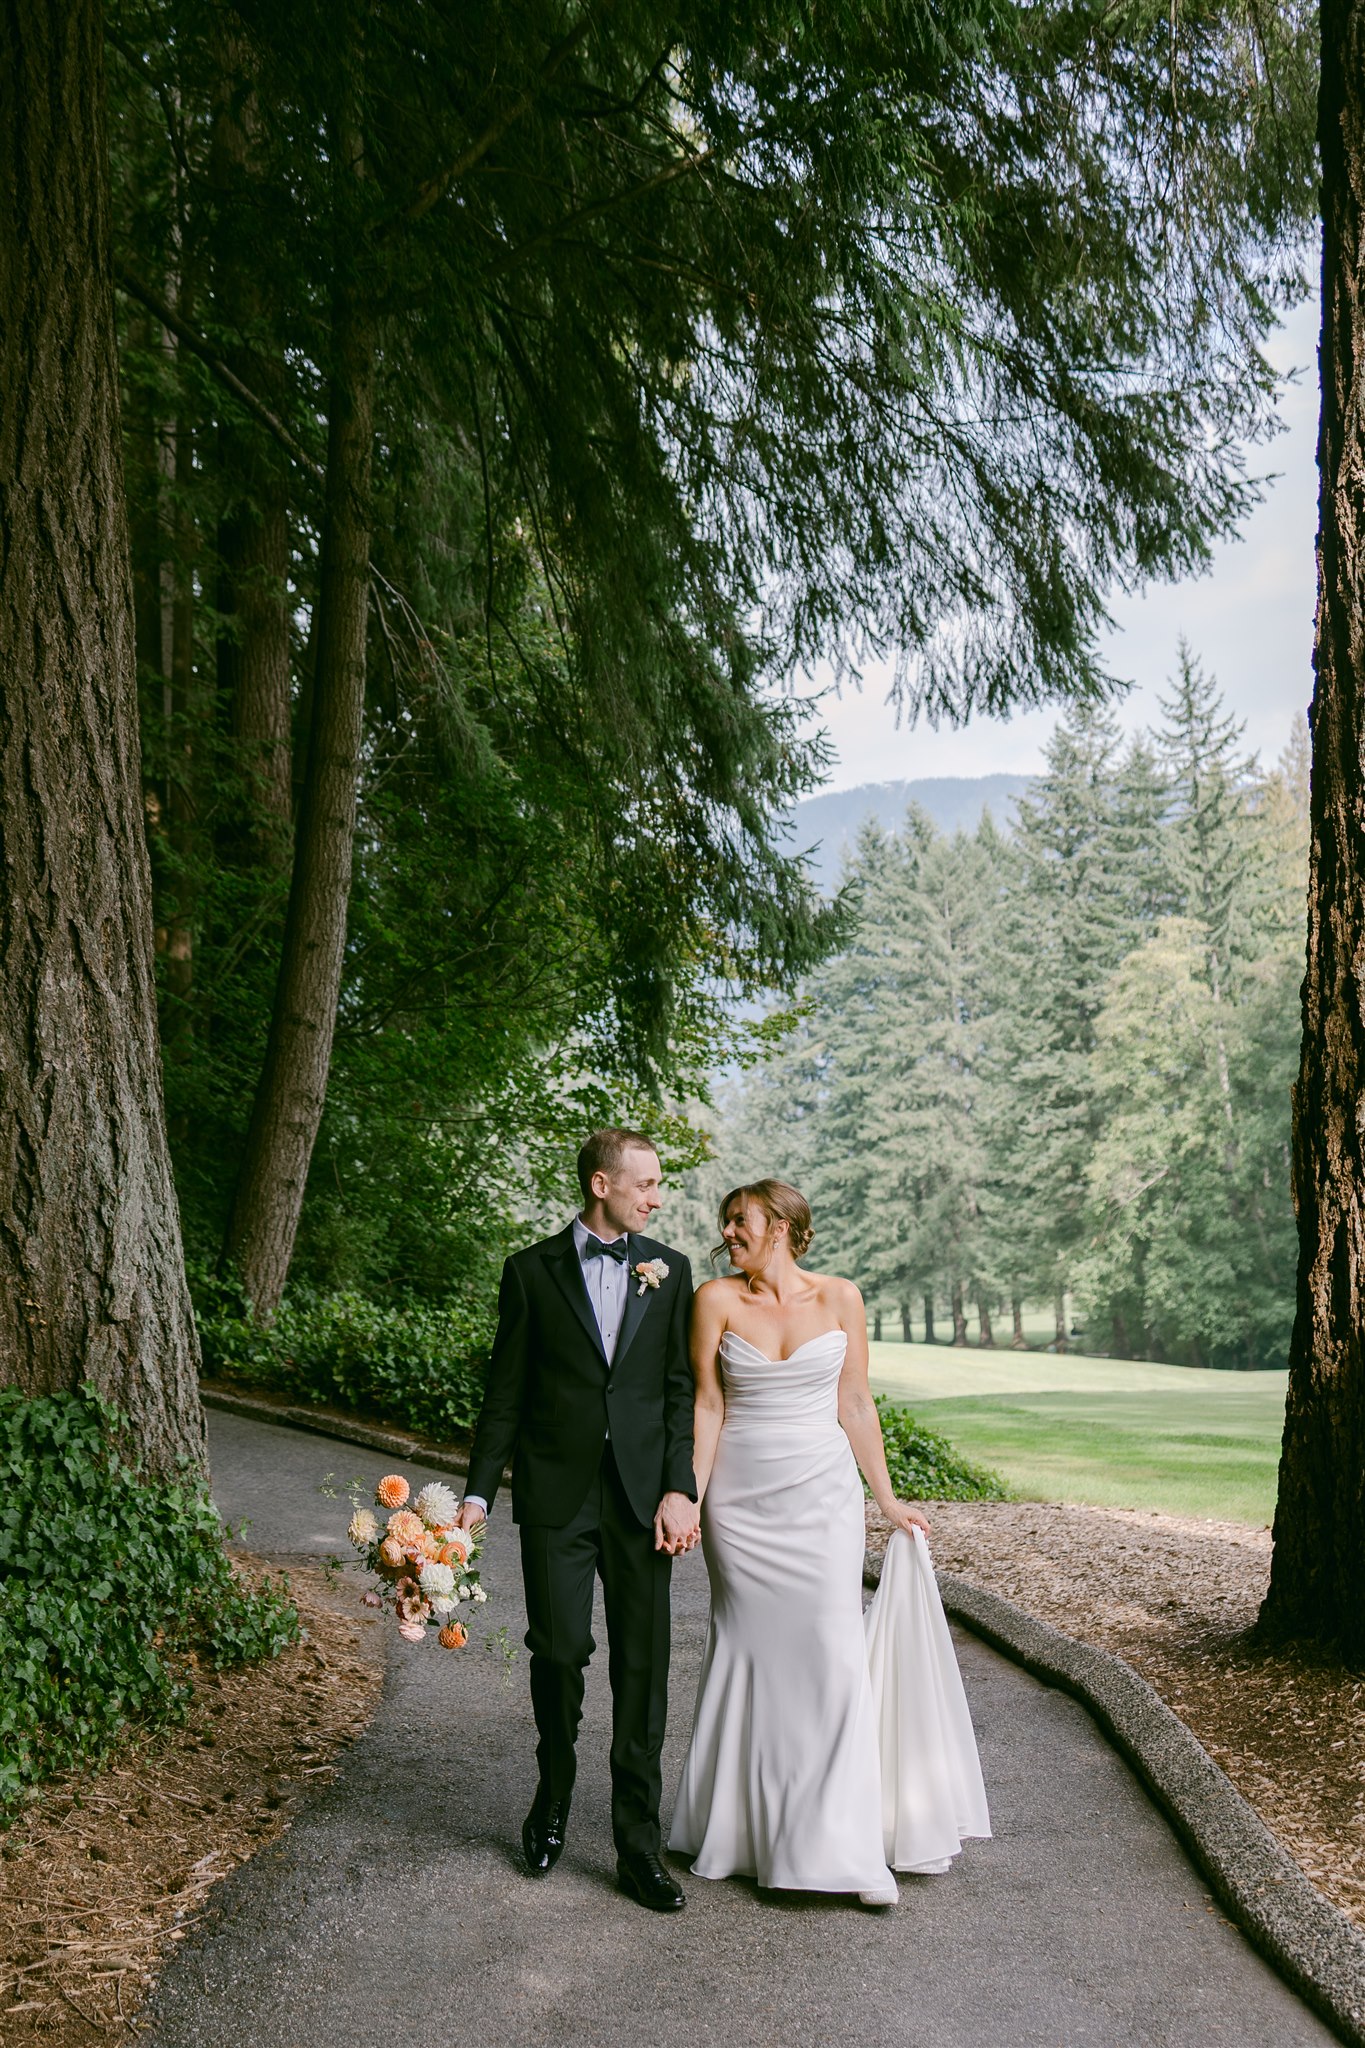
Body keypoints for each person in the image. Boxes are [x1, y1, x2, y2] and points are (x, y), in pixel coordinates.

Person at [669, 1178, 989, 1906]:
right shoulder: (714, 1300)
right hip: (739, 1506)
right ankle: (747, 1835)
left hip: (822, 1498)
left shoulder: (841, 1297)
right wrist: (690, 1496)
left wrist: (886, 1499)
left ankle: (842, 1850)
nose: (728, 1232)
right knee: (750, 1654)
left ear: (781, 1226)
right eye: (725, 1222)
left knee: (830, 1654)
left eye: (740, 1220)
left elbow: (854, 1401)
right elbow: (708, 1405)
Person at [457, 1129, 699, 1912]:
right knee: (558, 1653)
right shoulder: (530, 1272)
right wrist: (476, 1497)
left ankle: (637, 1844)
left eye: (656, 1185)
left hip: (641, 1500)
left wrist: (680, 1487)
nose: (655, 1197)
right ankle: (552, 1792)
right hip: (556, 1496)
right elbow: (504, 1394)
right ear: (602, 1184)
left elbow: (678, 1392)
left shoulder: (670, 1271)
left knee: (642, 1666)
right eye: (645, 1183)